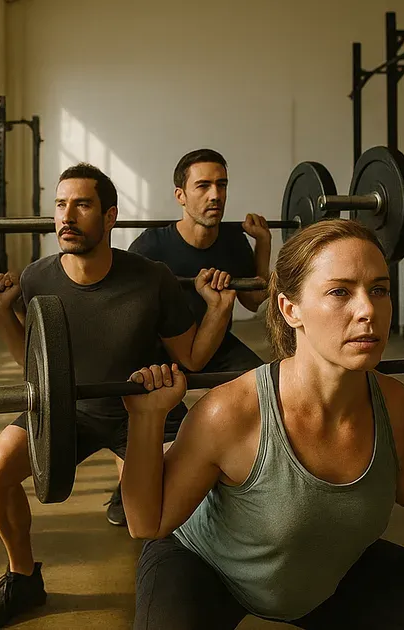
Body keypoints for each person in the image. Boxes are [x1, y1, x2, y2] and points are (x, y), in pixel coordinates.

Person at [123, 219, 404, 630]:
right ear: (290, 309)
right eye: (339, 292)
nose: (368, 310)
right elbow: (147, 523)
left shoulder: (390, 398)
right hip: (208, 567)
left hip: (322, 568)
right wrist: (146, 419)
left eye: (379, 289)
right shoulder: (231, 412)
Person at [0, 163, 236, 629]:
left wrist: (217, 309)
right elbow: (34, 367)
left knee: (170, 511)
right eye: (60, 204)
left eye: (82, 204)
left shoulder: (151, 278)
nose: (66, 216)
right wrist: (0, 313)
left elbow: (192, 358)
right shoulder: (36, 279)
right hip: (64, 410)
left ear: (110, 216)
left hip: (142, 409)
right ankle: (22, 576)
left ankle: (207, 581)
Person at [118, 148, 271, 526]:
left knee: (268, 389)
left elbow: (253, 300)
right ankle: (126, 482)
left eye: (221, 185)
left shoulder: (234, 239)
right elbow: (129, 311)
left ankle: (243, 478)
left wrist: (263, 243)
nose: (215, 195)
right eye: (203, 185)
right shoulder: (152, 247)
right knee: (158, 427)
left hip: (216, 343)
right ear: (180, 195)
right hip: (160, 349)